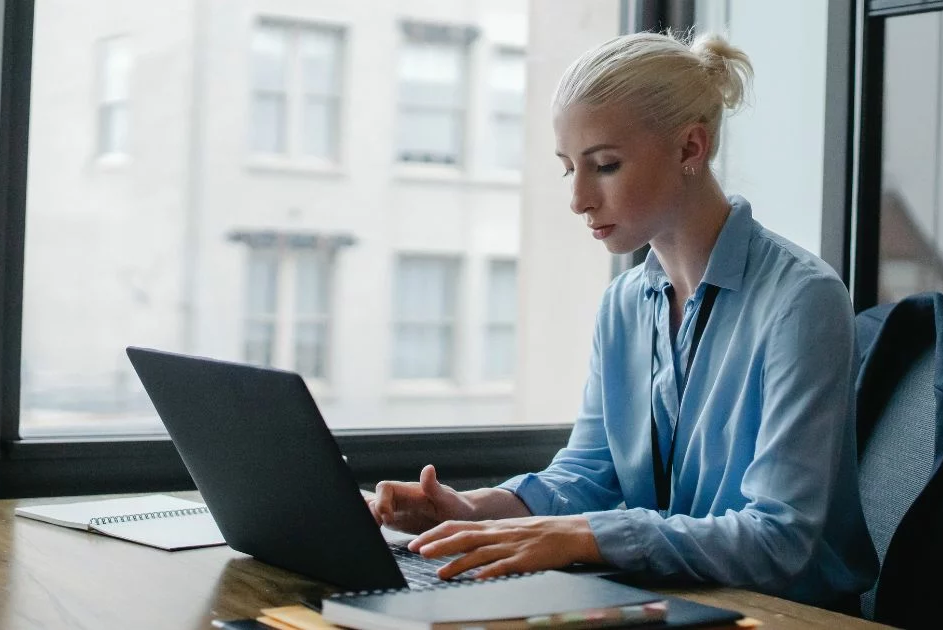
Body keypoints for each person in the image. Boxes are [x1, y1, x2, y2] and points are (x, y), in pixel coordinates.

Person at [367, 30, 877, 608]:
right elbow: (590, 475)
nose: (579, 198)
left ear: (691, 149)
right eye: (568, 170)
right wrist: (474, 509)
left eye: (604, 165)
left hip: (787, 617)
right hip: (670, 602)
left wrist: (585, 536)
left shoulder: (802, 300)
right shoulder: (624, 304)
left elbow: (777, 539)